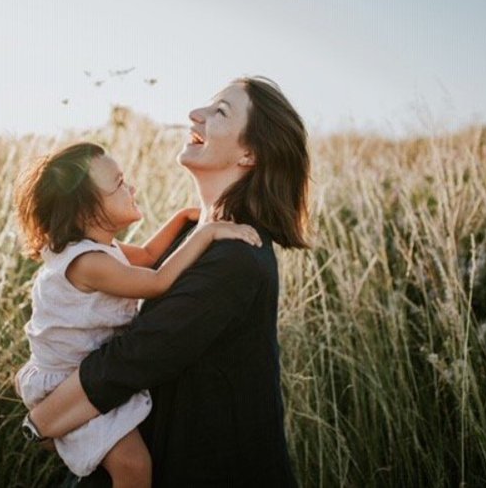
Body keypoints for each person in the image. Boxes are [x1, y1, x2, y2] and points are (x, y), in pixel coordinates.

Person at [27, 76, 310, 487]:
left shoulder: (236, 256)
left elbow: (136, 354)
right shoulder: (195, 236)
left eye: (220, 112)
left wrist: (41, 422)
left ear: (249, 154)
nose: (195, 114)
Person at [13, 142, 263, 488]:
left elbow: (147, 255)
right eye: (118, 184)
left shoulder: (101, 250)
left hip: (84, 376)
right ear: (86, 212)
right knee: (134, 468)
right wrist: (206, 234)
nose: (131, 187)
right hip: (69, 387)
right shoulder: (88, 263)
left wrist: (184, 218)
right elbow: (157, 281)